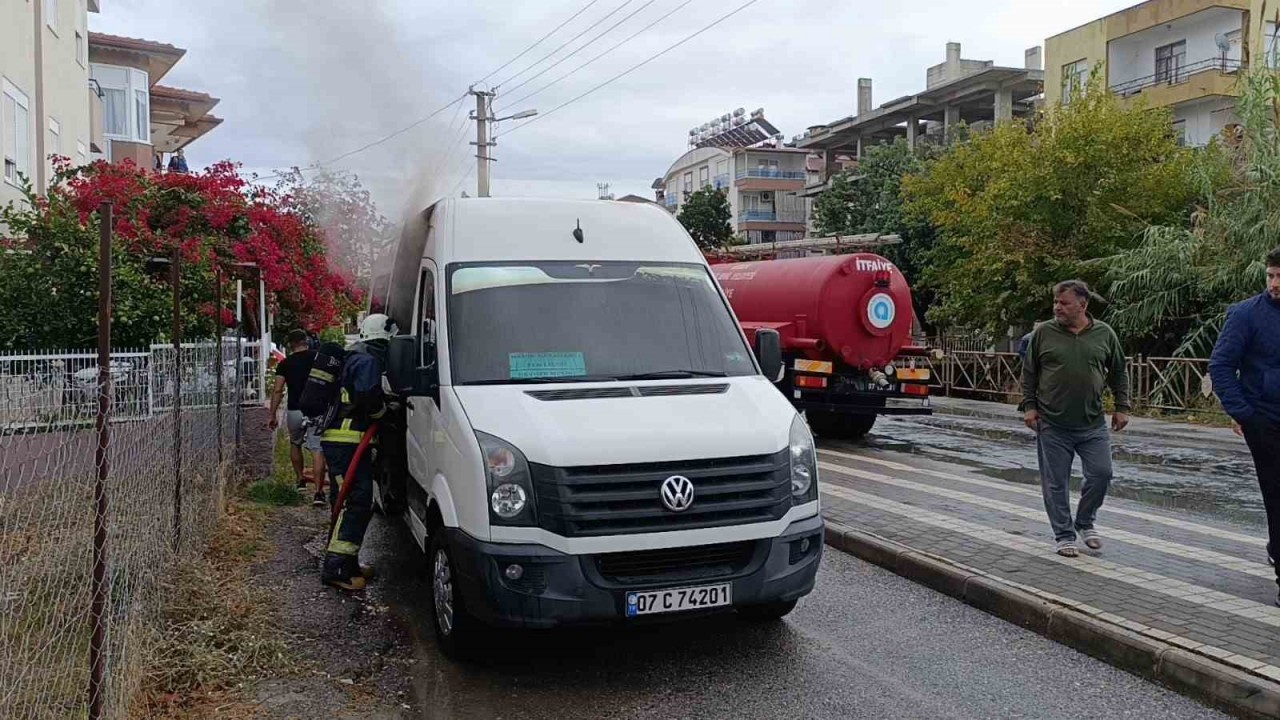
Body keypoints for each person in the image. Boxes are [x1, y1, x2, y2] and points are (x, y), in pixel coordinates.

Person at [1020, 280, 1131, 558]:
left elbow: (1119, 371)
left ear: (1083, 305)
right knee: (1055, 482)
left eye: (1064, 303)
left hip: (1092, 423)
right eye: (1056, 302)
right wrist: (1029, 407)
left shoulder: (1104, 334)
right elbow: (1029, 373)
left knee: (1102, 473)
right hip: (1053, 423)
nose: (1057, 307)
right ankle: (1064, 534)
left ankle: (1085, 521)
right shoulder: (1044, 333)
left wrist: (1122, 406)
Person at [1209, 246, 1280, 606]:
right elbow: (1221, 365)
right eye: (1271, 275)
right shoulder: (1245, 315)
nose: (1275, 284)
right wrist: (1243, 412)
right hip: (1264, 418)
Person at [319, 314, 396, 591]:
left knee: (350, 501)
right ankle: (336, 569)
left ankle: (348, 563)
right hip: (346, 441)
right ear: (384, 338)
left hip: (344, 441)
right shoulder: (369, 359)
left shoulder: (355, 355)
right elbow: (366, 395)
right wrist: (384, 411)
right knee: (356, 502)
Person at [269, 329, 327, 506]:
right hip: (316, 409)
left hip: (295, 410)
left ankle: (300, 480)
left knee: (295, 443)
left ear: (290, 344)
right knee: (317, 449)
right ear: (306, 341)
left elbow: (278, 389)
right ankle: (318, 492)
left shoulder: (285, 364)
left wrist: (272, 414)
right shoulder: (319, 358)